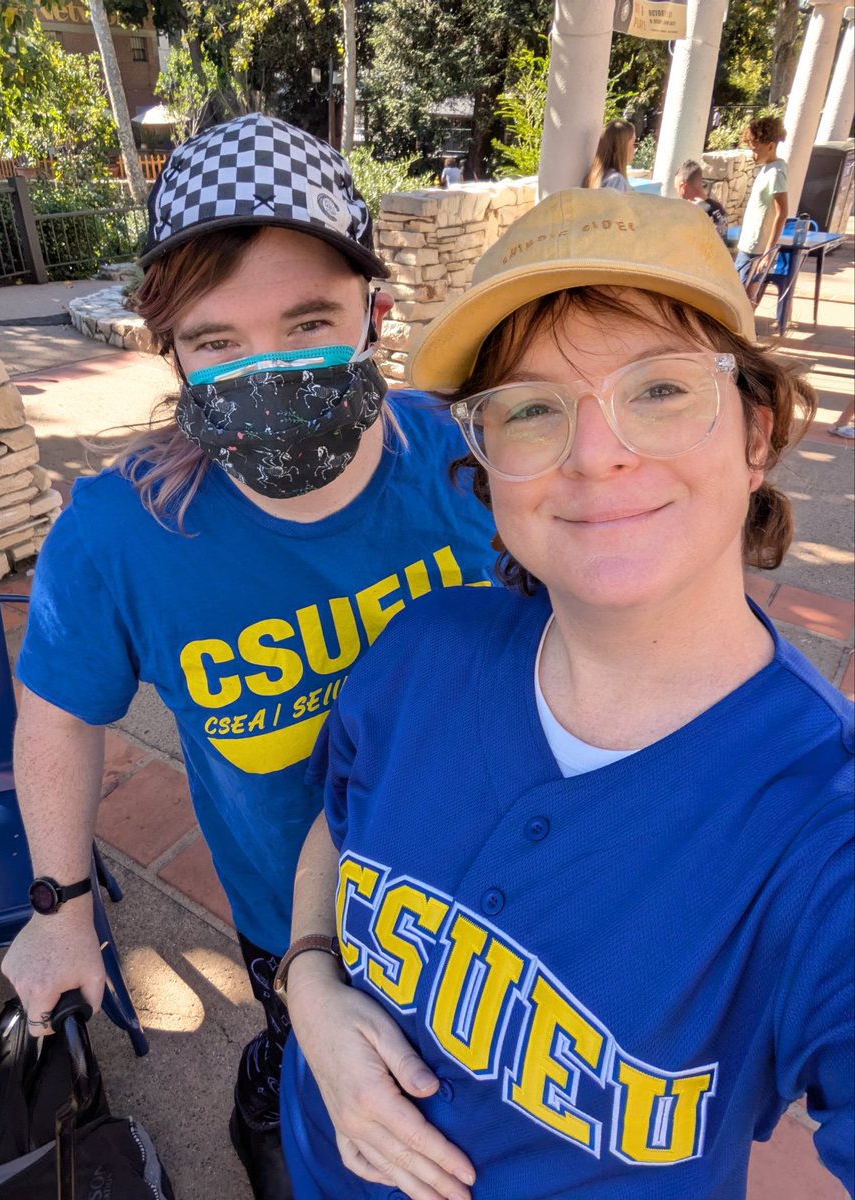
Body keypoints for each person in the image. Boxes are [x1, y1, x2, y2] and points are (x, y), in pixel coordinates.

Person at [279, 188, 854, 1199]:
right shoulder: (423, 648)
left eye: (662, 390)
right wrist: (310, 978)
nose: (595, 454)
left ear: (754, 431)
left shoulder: (821, 832)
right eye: (533, 408)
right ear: (487, 465)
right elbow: (338, 823)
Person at [0, 112, 496, 1199]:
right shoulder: (121, 532)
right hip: (282, 911)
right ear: (169, 347)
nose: (264, 372)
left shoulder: (470, 461)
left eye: (307, 321)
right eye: (217, 342)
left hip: (488, 893)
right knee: (308, 1048)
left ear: (373, 312)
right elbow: (56, 713)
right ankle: (269, 1077)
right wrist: (58, 909)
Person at [734, 116, 789, 285]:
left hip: (755, 248)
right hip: (749, 244)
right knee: (747, 297)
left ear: (770, 146)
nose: (752, 155)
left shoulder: (776, 172)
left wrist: (768, 253)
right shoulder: (768, 169)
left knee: (739, 296)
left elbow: (782, 212)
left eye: (755, 150)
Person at [675, 158, 729, 241]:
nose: (677, 193)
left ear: (683, 188)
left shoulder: (694, 212)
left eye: (677, 189)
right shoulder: (718, 207)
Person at [583, 119, 636, 192]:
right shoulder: (616, 180)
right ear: (622, 147)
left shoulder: (595, 176)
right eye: (633, 143)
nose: (634, 148)